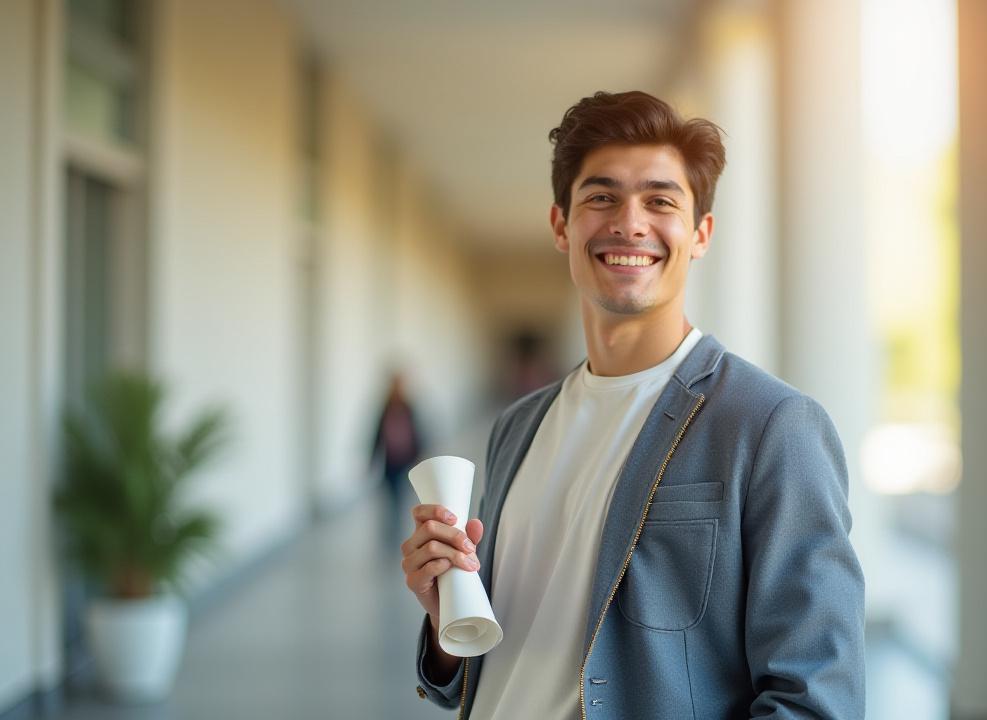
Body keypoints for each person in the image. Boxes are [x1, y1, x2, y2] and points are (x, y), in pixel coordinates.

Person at [400, 90, 865, 719]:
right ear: (561, 225)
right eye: (601, 197)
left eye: (660, 200)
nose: (629, 222)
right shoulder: (518, 427)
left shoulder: (770, 427)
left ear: (700, 233)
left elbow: (816, 698)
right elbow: (521, 653)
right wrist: (447, 624)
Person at [370, 370, 426, 541]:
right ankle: (391, 528)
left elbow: (419, 433)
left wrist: (420, 457)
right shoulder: (385, 407)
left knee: (400, 495)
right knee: (390, 496)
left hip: (405, 461)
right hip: (390, 462)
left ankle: (397, 526)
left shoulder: (409, 407)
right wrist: (371, 459)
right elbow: (376, 435)